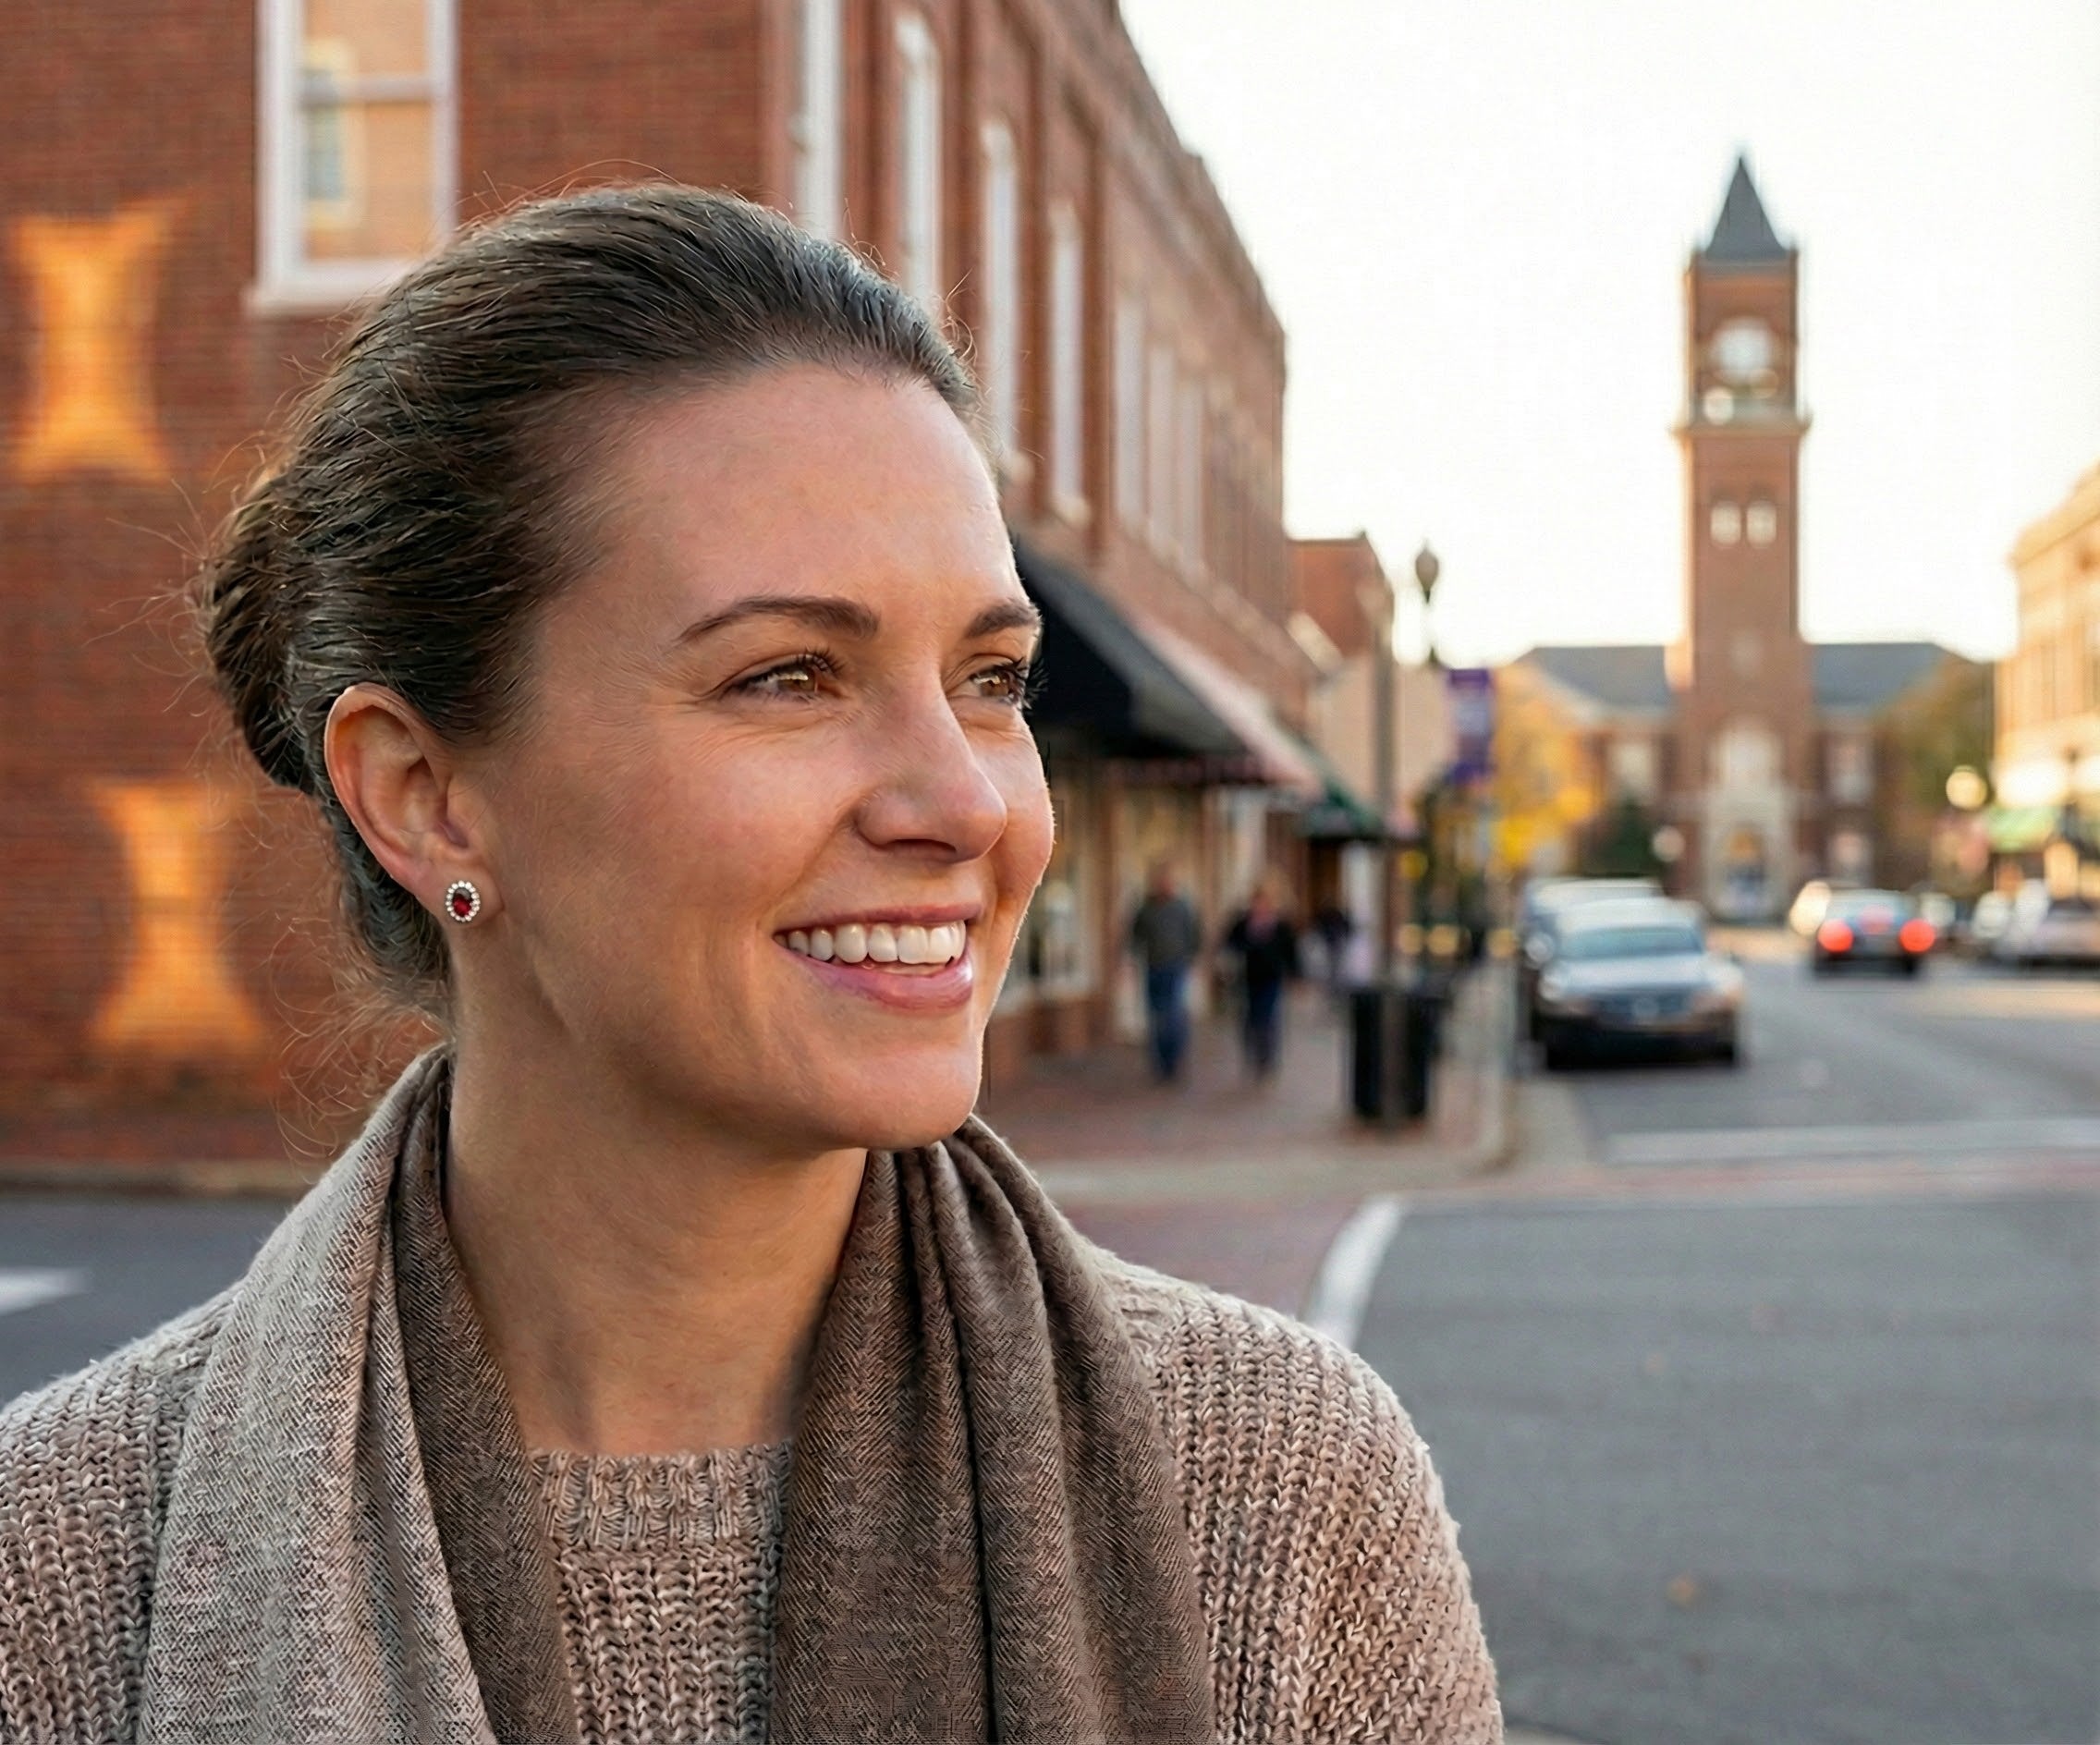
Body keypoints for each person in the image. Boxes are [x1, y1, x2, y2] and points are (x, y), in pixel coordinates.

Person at [0, 187, 1500, 1743]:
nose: (965, 800)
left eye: (991, 679)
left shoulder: (1278, 1487)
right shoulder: (57, 1570)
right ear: (423, 791)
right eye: (788, 674)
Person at [1127, 858, 1203, 1081]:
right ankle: (1159, 1064)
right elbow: (1135, 936)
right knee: (1155, 1016)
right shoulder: (1146, 909)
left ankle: (1174, 1060)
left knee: (1174, 1014)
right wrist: (1130, 960)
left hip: (1175, 967)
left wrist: (1191, 958)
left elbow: (1195, 935)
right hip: (1153, 967)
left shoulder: (1183, 908)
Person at [1225, 878, 1302, 1077]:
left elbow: (1291, 951)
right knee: (1249, 1017)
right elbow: (1230, 943)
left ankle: (1266, 1057)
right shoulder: (1243, 922)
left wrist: (1296, 975)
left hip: (1271, 977)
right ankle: (1252, 1052)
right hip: (1248, 977)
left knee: (1268, 1017)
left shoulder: (1281, 925)